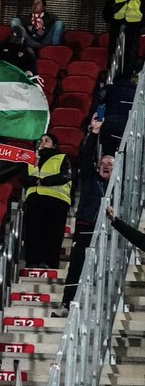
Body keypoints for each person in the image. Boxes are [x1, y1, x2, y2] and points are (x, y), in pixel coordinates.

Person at [55, 120, 113, 313]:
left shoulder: (118, 188)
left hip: (108, 232)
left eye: (110, 164)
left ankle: (93, 309)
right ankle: (66, 304)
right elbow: (86, 157)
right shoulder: (90, 178)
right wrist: (94, 134)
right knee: (77, 267)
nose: (105, 166)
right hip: (86, 226)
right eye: (103, 163)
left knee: (101, 270)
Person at [21, 133, 72, 270]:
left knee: (52, 233)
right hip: (34, 199)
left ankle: (49, 263)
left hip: (56, 201)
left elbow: (66, 175)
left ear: (54, 145)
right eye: (40, 141)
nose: (42, 143)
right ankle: (32, 262)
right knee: (33, 232)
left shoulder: (61, 157)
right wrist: (30, 181)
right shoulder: (31, 159)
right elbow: (24, 177)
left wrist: (44, 181)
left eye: (46, 140)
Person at [102, 0, 145, 74]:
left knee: (130, 56)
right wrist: (116, 22)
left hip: (133, 33)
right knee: (114, 56)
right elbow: (106, 14)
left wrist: (135, 25)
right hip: (116, 31)